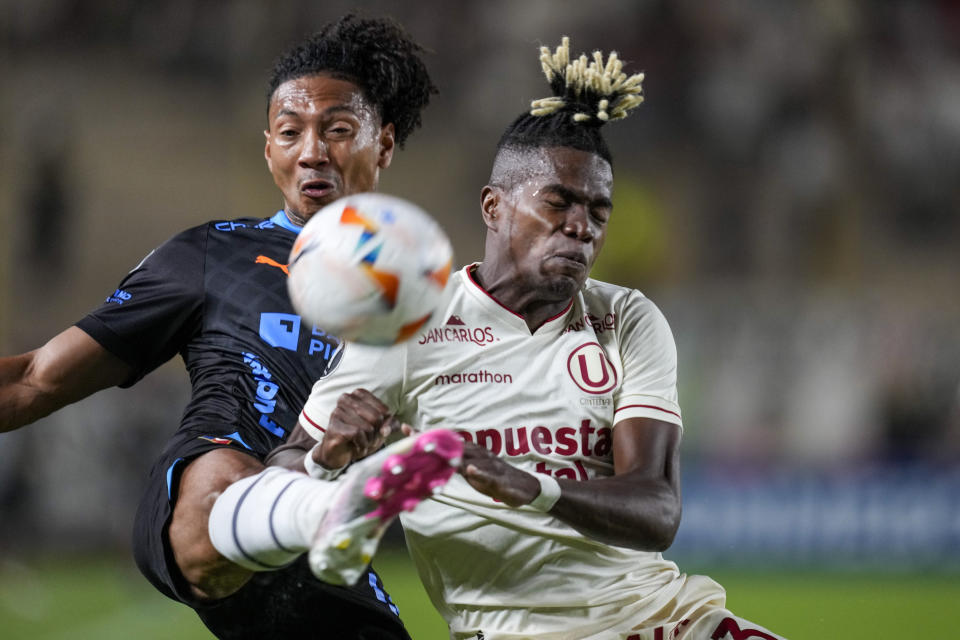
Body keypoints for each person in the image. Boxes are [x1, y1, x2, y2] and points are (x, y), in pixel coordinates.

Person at [277, 38, 787, 639]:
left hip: (666, 618)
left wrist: (535, 488)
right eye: (560, 202)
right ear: (494, 206)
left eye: (599, 212)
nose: (582, 226)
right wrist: (326, 458)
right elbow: (283, 471)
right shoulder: (409, 325)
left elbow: (657, 510)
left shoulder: (626, 318)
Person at [0, 14, 454, 640]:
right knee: (225, 481)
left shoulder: (439, 299)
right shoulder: (214, 256)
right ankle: (318, 504)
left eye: (339, 130)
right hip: (213, 492)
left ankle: (327, 509)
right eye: (291, 132)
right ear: (269, 150)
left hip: (326, 557)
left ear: (384, 145)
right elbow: (36, 378)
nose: (312, 152)